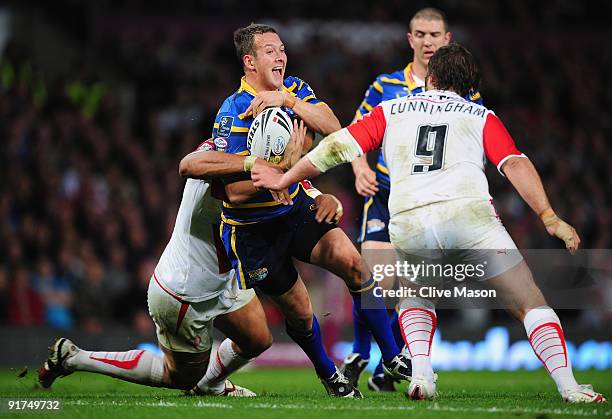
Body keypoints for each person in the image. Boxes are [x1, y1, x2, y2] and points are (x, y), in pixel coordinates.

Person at [251, 43, 606, 404]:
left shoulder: (391, 109)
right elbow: (513, 162)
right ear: (469, 86)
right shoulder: (479, 114)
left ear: (431, 77)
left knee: (416, 297)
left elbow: (338, 146)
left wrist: (285, 179)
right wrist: (549, 216)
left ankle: (421, 376)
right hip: (469, 218)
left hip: (410, 220)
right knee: (529, 301)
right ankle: (569, 386)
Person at [212, 23, 411, 398]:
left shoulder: (295, 90)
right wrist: (284, 171)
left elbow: (336, 130)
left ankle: (393, 355)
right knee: (301, 313)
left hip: (295, 210)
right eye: (270, 51)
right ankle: (328, 373)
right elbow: (235, 194)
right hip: (252, 229)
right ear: (249, 62)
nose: (281, 56)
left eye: (282, 49)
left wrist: (287, 103)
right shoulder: (233, 111)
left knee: (354, 264)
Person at [38, 139, 280, 397]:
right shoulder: (230, 170)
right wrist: (283, 167)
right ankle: (74, 357)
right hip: (185, 289)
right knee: (179, 376)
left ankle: (211, 385)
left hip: (219, 277)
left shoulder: (222, 148)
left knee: (257, 338)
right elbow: (207, 176)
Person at [345, 7, 482, 391]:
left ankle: (385, 368)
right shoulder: (385, 85)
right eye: (419, 34)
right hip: (388, 191)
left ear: (447, 39)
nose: (427, 41)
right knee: (374, 278)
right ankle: (360, 352)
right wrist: (360, 169)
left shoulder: (464, 92)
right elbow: (354, 134)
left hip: (433, 200)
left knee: (416, 288)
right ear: (410, 39)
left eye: (434, 35)